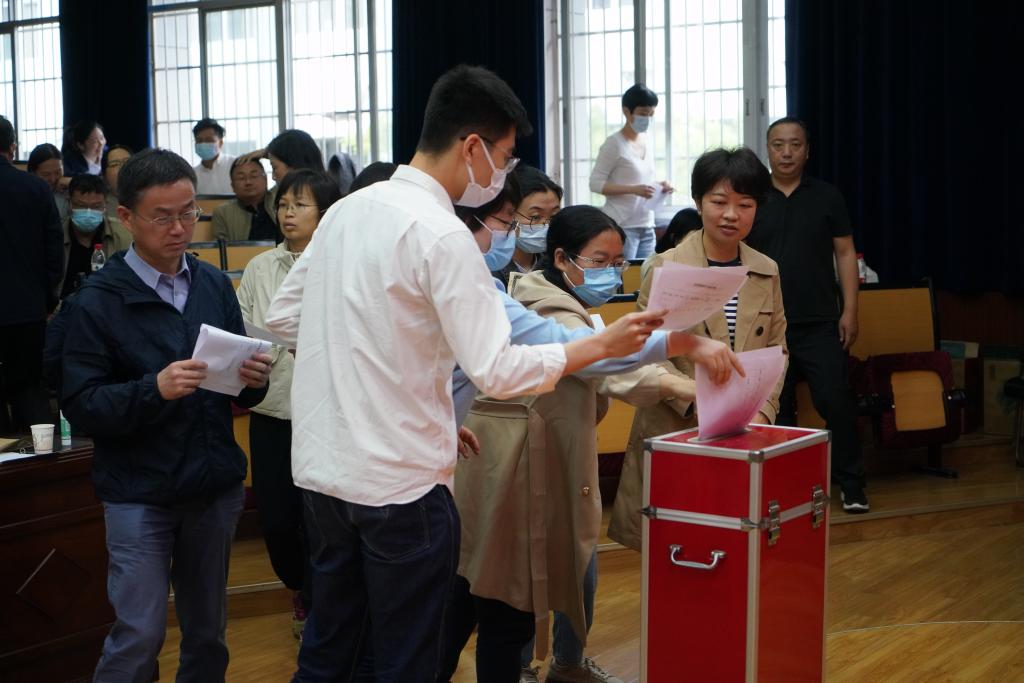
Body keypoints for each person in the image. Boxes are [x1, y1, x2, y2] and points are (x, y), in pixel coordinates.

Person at [263, 64, 679, 682]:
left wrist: (395, 396)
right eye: (505, 158)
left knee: (330, 652)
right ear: (473, 147)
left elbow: (284, 318)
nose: (503, 174)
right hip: (401, 486)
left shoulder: (349, 210)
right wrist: (596, 346)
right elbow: (500, 371)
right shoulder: (441, 233)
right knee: (406, 659)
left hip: (326, 476)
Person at [442, 204, 738, 683]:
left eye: (618, 263)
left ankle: (560, 662)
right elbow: (599, 363)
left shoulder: (533, 295)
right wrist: (682, 365)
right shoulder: (540, 302)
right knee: (501, 600)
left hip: (533, 460)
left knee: (497, 591)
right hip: (519, 466)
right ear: (562, 258)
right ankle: (541, 665)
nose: (611, 274)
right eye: (599, 262)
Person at [59, 148, 272, 681]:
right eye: (162, 217)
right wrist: (153, 389)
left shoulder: (211, 284)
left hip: (212, 485)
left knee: (208, 634)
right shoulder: (97, 301)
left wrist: (253, 382)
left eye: (188, 212)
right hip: (139, 492)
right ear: (126, 217)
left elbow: (237, 392)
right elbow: (82, 405)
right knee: (139, 633)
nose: (179, 229)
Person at [609, 147, 788, 552]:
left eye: (745, 205)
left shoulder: (766, 269)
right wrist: (698, 402)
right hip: (676, 428)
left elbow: (777, 348)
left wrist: (763, 410)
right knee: (675, 549)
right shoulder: (666, 266)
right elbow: (645, 348)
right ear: (697, 201)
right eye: (719, 202)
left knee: (734, 547)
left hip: (743, 430)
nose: (731, 215)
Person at [235, 169, 341, 641]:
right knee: (278, 520)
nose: (288, 213)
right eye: (283, 204)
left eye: (300, 204)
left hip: (327, 413)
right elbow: (242, 327)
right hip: (273, 409)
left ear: (326, 213)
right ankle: (300, 587)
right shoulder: (261, 267)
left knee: (322, 519)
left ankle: (321, 608)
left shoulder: (340, 264)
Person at [745, 117, 869, 513]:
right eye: (778, 144)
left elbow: (845, 253)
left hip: (819, 320)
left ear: (807, 150)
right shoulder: (751, 197)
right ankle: (784, 488)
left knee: (836, 400)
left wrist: (850, 310)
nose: (786, 152)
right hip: (765, 325)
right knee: (775, 410)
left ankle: (852, 483)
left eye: (795, 145)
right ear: (767, 149)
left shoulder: (827, 196)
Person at [0, 115, 61, 433]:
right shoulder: (36, 188)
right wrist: (47, 300)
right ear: (12, 148)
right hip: (28, 310)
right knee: (29, 389)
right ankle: (41, 457)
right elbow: (55, 252)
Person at [589, 84, 673, 260]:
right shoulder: (614, 144)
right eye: (643, 113)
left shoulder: (646, 141)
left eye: (651, 114)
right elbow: (595, 184)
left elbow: (642, 181)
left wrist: (660, 186)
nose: (647, 118)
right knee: (622, 274)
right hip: (622, 224)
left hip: (647, 224)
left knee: (646, 273)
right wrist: (633, 190)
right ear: (627, 112)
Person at [59, 174, 133, 299]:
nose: (88, 212)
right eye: (81, 206)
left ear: (105, 205)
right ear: (69, 203)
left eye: (96, 206)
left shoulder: (124, 235)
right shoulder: (55, 235)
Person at [492, 164, 562, 286]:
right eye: (535, 217)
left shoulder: (558, 264)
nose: (546, 225)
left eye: (553, 216)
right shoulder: (489, 267)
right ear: (508, 215)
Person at [211, 157, 279, 242]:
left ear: (266, 180)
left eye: (254, 176)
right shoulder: (223, 212)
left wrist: (266, 154)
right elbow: (220, 246)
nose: (248, 182)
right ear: (232, 186)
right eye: (241, 178)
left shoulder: (281, 198)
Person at [642, 207, 703, 282]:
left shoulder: (702, 259)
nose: (695, 246)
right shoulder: (655, 263)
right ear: (673, 237)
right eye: (690, 241)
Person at [28, 142, 69, 221]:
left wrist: (72, 183)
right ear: (32, 173)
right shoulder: (26, 195)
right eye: (46, 174)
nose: (53, 179)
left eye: (58, 172)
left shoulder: (68, 188)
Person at [193, 117, 235, 195]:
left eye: (209, 140)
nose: (203, 144)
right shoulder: (193, 174)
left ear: (221, 142)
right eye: (199, 140)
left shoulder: (235, 165)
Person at [102, 144, 134, 213]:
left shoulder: (149, 199)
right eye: (115, 164)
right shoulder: (99, 206)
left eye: (127, 161)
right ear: (105, 176)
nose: (122, 167)